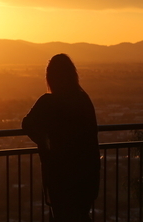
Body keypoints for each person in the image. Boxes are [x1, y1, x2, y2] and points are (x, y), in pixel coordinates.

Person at [22, 53, 100, 222]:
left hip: (60, 177)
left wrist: (44, 142)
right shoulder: (83, 100)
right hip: (86, 176)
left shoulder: (49, 102)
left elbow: (27, 124)